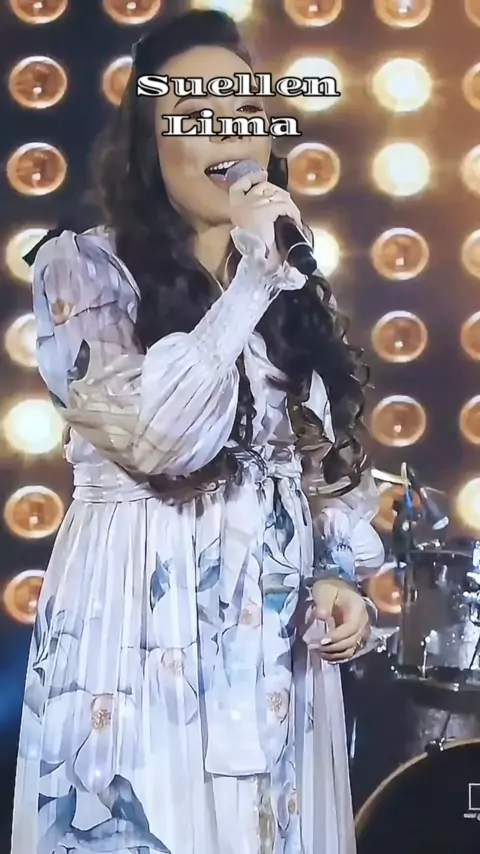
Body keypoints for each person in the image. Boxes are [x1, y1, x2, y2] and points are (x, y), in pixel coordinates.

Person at [11, 9, 384, 854]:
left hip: (276, 664)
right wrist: (252, 284)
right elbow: (160, 439)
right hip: (142, 642)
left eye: (246, 110)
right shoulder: (84, 270)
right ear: (149, 147)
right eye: (194, 114)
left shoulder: (287, 285)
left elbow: (322, 480)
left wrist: (338, 581)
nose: (227, 130)